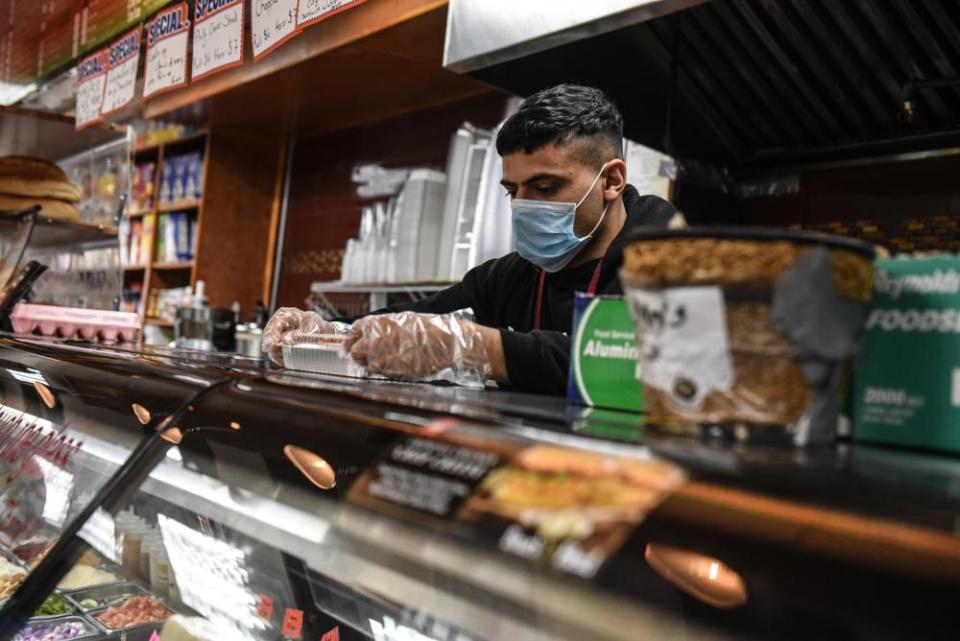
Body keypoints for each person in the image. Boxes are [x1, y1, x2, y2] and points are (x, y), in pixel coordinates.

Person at [263, 84, 676, 395]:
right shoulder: (512, 276)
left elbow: (637, 362)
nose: (524, 207)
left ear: (612, 180)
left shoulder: (671, 255)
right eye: (513, 192)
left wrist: (477, 349)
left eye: (545, 188)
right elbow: (418, 320)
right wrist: (324, 332)